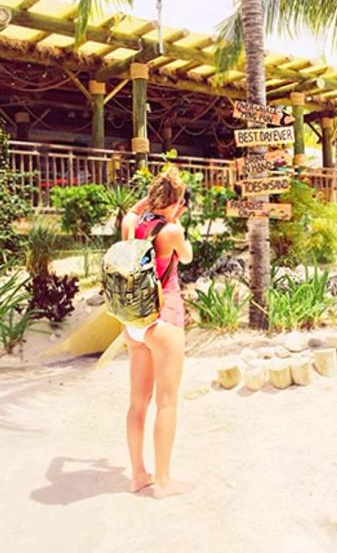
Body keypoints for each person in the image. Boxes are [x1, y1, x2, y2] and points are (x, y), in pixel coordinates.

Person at [120, 166, 193, 499]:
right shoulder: (172, 231)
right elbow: (187, 259)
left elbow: (130, 213)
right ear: (177, 200)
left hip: (133, 322)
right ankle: (163, 482)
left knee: (138, 403)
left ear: (153, 196)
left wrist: (148, 202)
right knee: (166, 403)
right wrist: (173, 215)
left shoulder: (132, 225)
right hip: (164, 320)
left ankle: (138, 475)